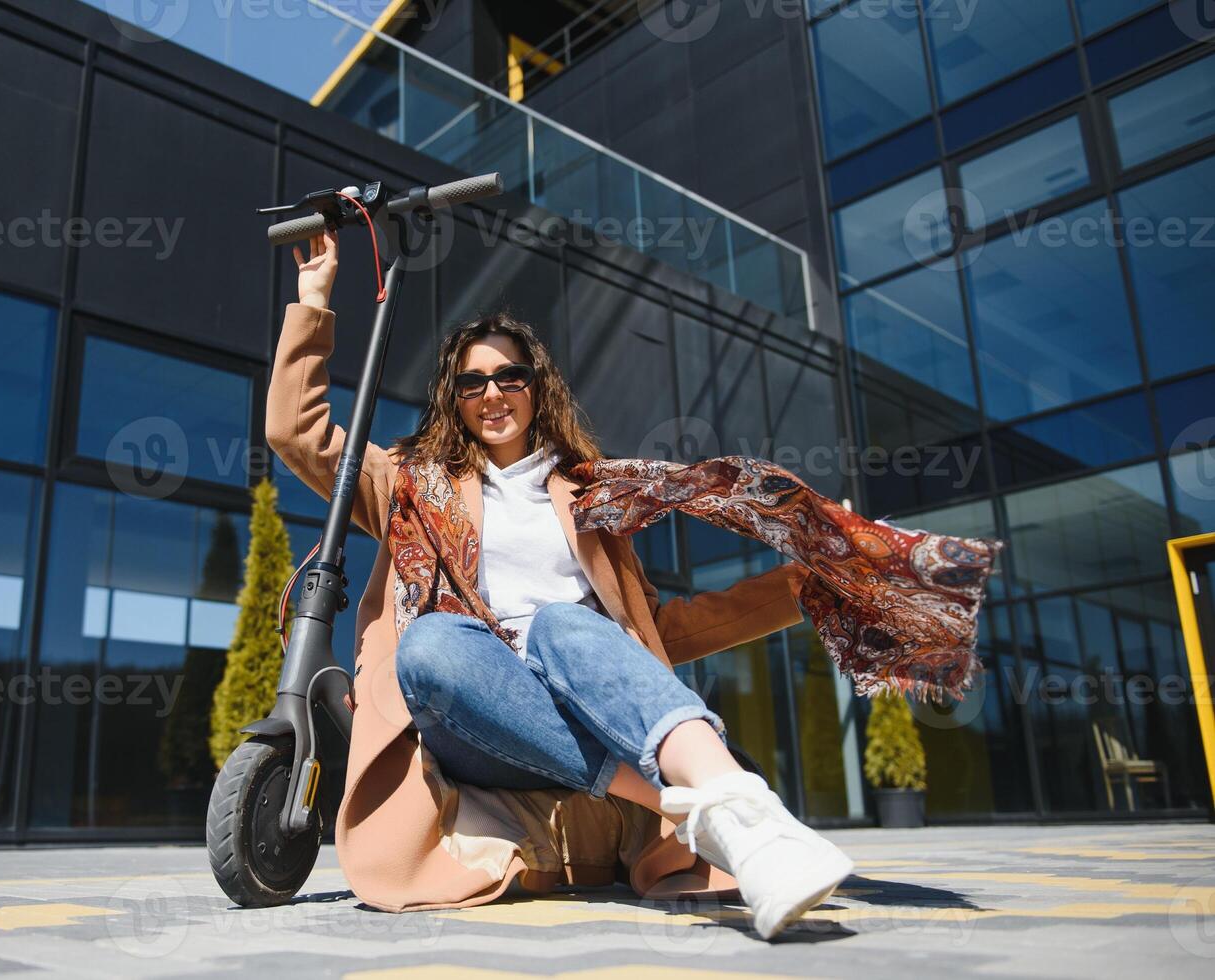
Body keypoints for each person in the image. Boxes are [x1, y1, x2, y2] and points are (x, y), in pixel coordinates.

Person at [274, 227, 852, 938]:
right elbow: (298, 435)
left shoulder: (590, 499)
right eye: (473, 382)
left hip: (584, 701)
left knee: (567, 623)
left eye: (510, 376)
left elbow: (660, 633)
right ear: (454, 398)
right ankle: (687, 803)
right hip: (475, 713)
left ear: (535, 386)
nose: (493, 393)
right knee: (429, 646)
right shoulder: (406, 483)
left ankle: (738, 810)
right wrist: (313, 303)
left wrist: (801, 585)